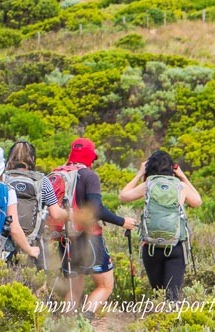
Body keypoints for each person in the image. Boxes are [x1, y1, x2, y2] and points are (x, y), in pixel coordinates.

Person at [56, 137, 137, 319]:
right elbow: (97, 209)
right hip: (88, 237)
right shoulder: (89, 176)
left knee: (74, 290)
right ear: (89, 156)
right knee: (105, 285)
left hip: (65, 238)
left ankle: (65, 325)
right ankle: (85, 321)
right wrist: (122, 221)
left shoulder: (60, 173)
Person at [119, 150, 202, 300]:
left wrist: (139, 174)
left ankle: (158, 319)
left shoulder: (148, 184)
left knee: (159, 292)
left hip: (151, 247)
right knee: (172, 296)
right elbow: (197, 201)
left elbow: (123, 196)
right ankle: (171, 320)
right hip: (176, 245)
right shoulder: (180, 186)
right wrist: (183, 176)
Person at [4, 140, 68, 268]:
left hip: (5, 238)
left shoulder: (3, 178)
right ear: (33, 159)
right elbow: (55, 213)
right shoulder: (42, 181)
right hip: (33, 239)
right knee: (35, 280)